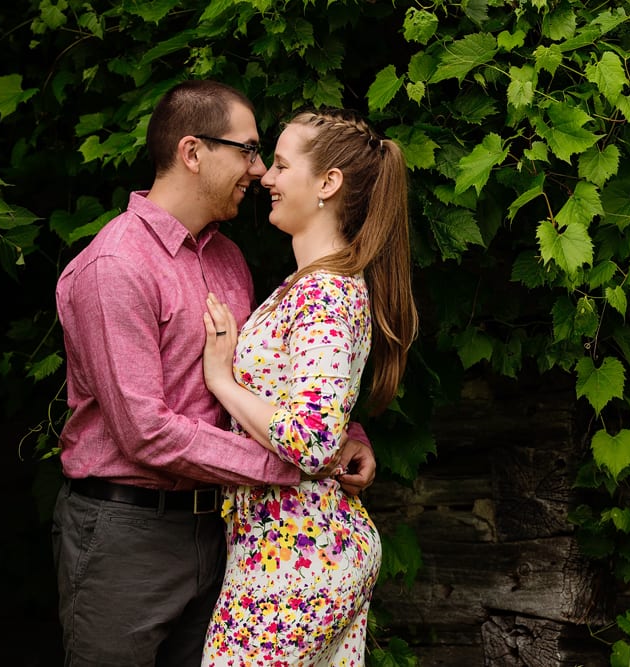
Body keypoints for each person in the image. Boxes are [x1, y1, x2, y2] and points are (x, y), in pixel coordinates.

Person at [52, 81, 377, 667]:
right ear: (193, 152)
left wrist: (343, 436)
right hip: (127, 531)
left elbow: (267, 381)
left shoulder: (227, 258)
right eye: (248, 151)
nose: (257, 170)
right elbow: (145, 430)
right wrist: (289, 467)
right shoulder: (115, 265)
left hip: (224, 533)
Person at [198, 108, 418, 665]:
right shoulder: (316, 286)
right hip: (296, 555)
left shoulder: (321, 294)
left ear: (327, 184)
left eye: (279, 164)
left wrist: (221, 380)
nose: (265, 178)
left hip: (295, 563)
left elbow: (312, 440)